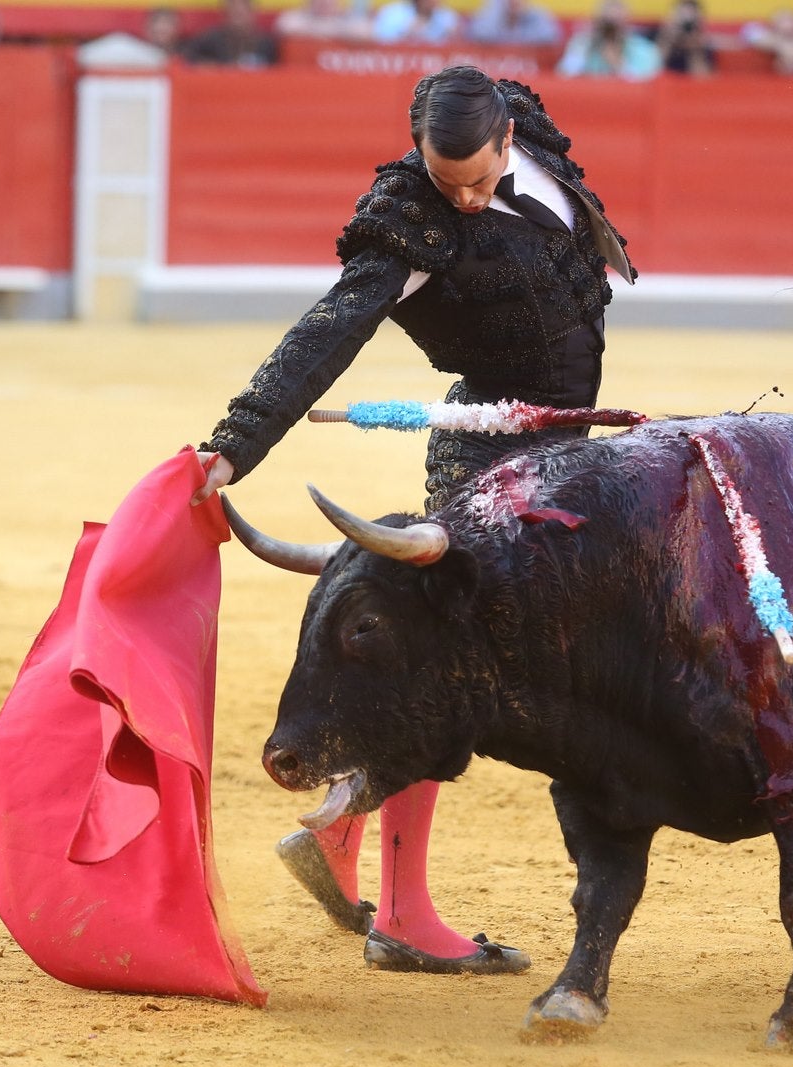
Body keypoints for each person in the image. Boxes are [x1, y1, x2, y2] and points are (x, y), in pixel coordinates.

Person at [191, 66, 635, 973]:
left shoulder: (531, 137)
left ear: (508, 139)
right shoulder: (408, 224)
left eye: (478, 180)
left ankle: (341, 828)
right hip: (485, 455)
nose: (466, 201)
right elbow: (327, 332)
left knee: (470, 667)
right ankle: (399, 911)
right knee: (446, 672)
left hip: (562, 444)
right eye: (447, 182)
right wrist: (234, 444)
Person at [557, 0, 663, 78]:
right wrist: (584, 47)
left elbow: (647, 89)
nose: (611, 31)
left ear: (627, 23)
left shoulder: (645, 50)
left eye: (617, 23)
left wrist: (618, 64)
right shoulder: (581, 44)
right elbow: (564, 78)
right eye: (607, 23)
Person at [182, 0, 280, 66]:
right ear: (225, 14)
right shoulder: (210, 39)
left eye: (242, 13)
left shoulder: (266, 42)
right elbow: (187, 58)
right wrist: (208, 66)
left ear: (252, 14)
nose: (238, 17)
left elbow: (277, 70)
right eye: (234, 12)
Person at [740, 8, 793, 75]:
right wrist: (781, 47)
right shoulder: (761, 34)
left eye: (790, 21)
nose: (787, 26)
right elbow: (751, 34)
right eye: (783, 22)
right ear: (773, 26)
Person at [652, 0, 717, 75]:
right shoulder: (659, 34)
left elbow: (702, 77)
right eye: (681, 15)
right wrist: (667, 38)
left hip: (689, 83)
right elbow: (651, 68)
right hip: (664, 81)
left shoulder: (702, 43)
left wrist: (695, 48)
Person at [466, 0, 562, 45]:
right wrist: (498, 12)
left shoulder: (537, 14)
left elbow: (550, 36)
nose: (514, 2)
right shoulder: (490, 12)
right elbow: (479, 34)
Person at [372, 0, 463, 44]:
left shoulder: (447, 16)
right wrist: (406, 32)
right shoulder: (392, 13)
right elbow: (381, 40)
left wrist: (453, 35)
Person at [275, 0, 374, 40]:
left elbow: (365, 31)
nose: (324, 1)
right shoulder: (294, 18)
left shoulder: (349, 19)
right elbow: (286, 27)